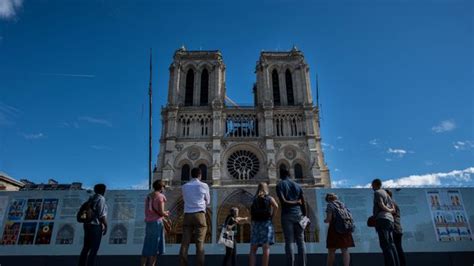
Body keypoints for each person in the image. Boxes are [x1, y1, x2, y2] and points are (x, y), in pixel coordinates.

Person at [179, 167, 210, 266]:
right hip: (199, 214)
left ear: (191, 175)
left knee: (185, 243)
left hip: (187, 214)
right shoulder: (204, 185)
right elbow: (208, 201)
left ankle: (183, 264)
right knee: (199, 243)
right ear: (200, 175)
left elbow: (184, 199)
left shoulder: (184, 186)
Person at [276, 168, 307, 266]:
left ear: (281, 175)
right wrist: (305, 216)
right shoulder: (298, 185)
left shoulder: (280, 185)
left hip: (287, 215)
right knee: (301, 241)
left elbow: (283, 201)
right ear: (289, 175)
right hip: (299, 215)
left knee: (289, 242)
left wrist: (295, 202)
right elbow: (303, 203)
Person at [141, 180, 170, 266]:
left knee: (147, 245)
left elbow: (147, 211)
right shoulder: (161, 196)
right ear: (161, 188)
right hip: (157, 223)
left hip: (149, 222)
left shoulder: (148, 196)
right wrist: (166, 213)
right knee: (155, 246)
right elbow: (161, 212)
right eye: (164, 187)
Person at [249, 182, 279, 266]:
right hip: (266, 223)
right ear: (266, 189)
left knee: (253, 249)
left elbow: (250, 211)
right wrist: (272, 217)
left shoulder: (253, 199)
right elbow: (276, 206)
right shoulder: (269, 198)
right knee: (265, 248)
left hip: (255, 224)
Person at [78, 184, 108, 266]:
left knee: (86, 247)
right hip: (95, 226)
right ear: (103, 190)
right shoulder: (101, 198)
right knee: (94, 249)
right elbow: (101, 215)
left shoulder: (91, 198)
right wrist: (106, 225)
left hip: (87, 225)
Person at [371, 179, 399, 266]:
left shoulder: (377, 192)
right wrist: (390, 211)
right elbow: (393, 209)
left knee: (385, 245)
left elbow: (381, 205)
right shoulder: (387, 194)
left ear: (376, 185)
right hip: (390, 220)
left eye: (372, 185)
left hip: (382, 220)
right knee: (391, 244)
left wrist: (386, 210)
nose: (371, 187)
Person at [324, 193, 354, 266]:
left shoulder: (330, 205)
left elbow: (329, 219)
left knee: (331, 250)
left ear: (328, 199)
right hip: (346, 228)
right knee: (345, 249)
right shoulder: (343, 205)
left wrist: (325, 220)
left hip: (334, 229)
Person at [385, 189, 406, 266]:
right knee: (398, 248)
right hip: (397, 229)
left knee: (395, 249)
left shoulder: (390, 203)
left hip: (394, 229)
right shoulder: (394, 203)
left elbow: (392, 212)